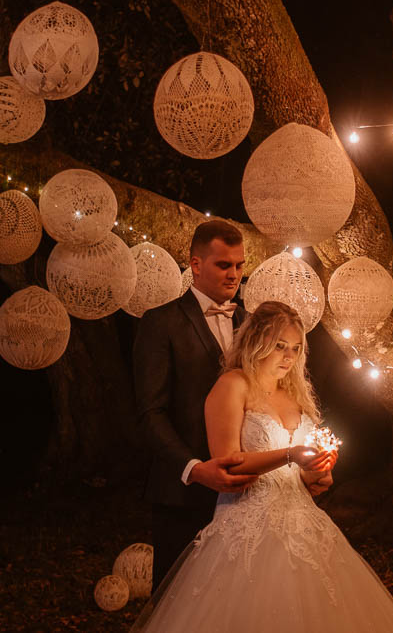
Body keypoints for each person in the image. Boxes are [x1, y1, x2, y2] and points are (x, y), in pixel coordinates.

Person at [130, 301, 393, 632]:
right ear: (257, 341)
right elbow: (228, 464)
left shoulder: (296, 394)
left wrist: (319, 470)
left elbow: (305, 475)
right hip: (246, 521)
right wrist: (290, 455)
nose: (288, 356)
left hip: (305, 523)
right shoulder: (233, 384)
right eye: (280, 346)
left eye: (295, 349)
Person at [132, 218, 258, 589]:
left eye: (239, 265)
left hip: (243, 490)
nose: (234, 274)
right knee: (178, 602)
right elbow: (149, 413)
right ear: (196, 265)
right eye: (223, 265)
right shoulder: (160, 322)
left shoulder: (250, 324)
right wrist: (194, 467)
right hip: (182, 492)